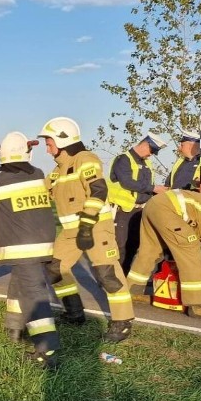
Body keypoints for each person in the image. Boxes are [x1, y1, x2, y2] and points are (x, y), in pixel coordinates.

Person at [0, 132, 60, 368]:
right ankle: (14, 330)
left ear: (2, 154)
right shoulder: (37, 174)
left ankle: (48, 353)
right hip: (42, 245)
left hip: (22, 248)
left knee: (35, 299)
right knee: (18, 288)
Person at [37, 117, 136, 342]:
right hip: (71, 232)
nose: (46, 146)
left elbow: (98, 191)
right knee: (55, 268)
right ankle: (74, 312)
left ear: (63, 139)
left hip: (95, 228)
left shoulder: (86, 159)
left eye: (48, 141)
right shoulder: (57, 170)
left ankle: (122, 322)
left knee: (107, 274)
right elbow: (40, 192)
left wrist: (87, 225)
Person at [126, 189, 201, 320]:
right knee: (192, 251)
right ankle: (198, 306)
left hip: (155, 204)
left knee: (150, 251)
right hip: (169, 208)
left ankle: (133, 291)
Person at [106, 132, 168, 273]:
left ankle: (124, 274)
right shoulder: (123, 160)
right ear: (145, 145)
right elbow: (127, 182)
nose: (151, 155)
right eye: (152, 151)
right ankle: (111, 277)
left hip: (140, 211)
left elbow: (146, 185)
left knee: (133, 245)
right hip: (123, 210)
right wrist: (154, 188)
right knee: (119, 245)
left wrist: (157, 191)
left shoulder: (147, 163)